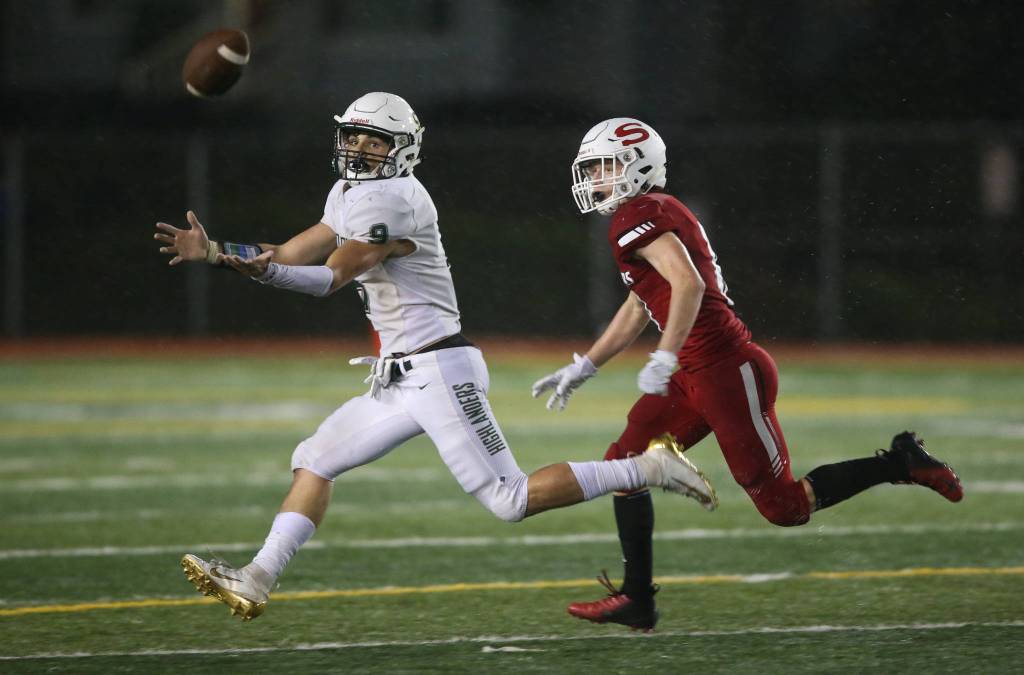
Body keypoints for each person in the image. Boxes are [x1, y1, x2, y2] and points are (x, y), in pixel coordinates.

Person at [153, 94, 717, 621]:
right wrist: (216, 252)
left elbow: (327, 278)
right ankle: (257, 578)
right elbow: (288, 252)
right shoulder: (347, 193)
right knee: (315, 459)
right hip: (399, 377)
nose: (359, 149)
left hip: (440, 370)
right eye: (353, 136)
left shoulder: (396, 200)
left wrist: (260, 271)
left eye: (374, 140)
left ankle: (650, 468)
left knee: (510, 499)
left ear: (401, 148)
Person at [531, 117, 964, 632]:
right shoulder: (650, 211)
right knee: (625, 465)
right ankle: (637, 599)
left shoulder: (639, 213)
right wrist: (587, 364)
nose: (594, 178)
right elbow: (640, 302)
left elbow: (688, 286)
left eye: (604, 166)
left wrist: (664, 355)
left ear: (637, 166)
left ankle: (900, 462)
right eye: (593, 168)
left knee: (785, 508)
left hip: (727, 372)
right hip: (695, 374)